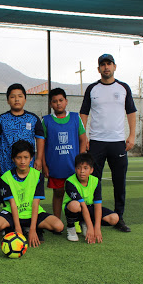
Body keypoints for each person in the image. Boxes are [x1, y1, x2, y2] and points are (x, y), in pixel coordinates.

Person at [80, 54, 136, 232]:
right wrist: (85, 137)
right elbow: (84, 114)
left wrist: (132, 135)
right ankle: (88, 217)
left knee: (119, 181)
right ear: (98, 69)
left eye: (109, 64)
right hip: (96, 142)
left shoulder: (123, 88)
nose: (106, 67)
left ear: (114, 67)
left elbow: (131, 112)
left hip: (118, 142)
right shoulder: (92, 89)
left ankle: (119, 217)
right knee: (92, 181)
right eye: (102, 65)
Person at [0, 140, 64, 247]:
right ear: (13, 159)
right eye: (19, 157)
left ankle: (33, 229)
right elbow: (13, 204)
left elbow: (35, 203)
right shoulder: (6, 177)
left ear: (31, 158)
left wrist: (33, 229)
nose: (22, 161)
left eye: (26, 157)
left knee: (59, 226)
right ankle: (14, 228)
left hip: (33, 213)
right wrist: (17, 228)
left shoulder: (37, 176)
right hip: (12, 213)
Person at [42, 87, 86, 221]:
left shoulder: (75, 117)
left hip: (73, 167)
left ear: (66, 101)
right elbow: (41, 145)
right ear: (51, 104)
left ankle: (76, 221)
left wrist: (81, 162)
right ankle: (57, 221)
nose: (58, 103)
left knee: (76, 195)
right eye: (54, 101)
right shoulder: (46, 120)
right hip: (55, 167)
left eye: (61, 100)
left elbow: (83, 139)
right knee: (58, 193)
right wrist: (44, 165)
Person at [63, 153, 120, 243]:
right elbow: (82, 205)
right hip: (77, 208)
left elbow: (97, 205)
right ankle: (71, 228)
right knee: (75, 205)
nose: (82, 171)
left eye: (85, 168)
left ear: (91, 170)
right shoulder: (70, 182)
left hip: (89, 207)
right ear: (75, 169)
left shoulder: (96, 181)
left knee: (114, 218)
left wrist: (97, 228)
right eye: (79, 168)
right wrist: (90, 227)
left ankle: (84, 223)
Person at [0, 83, 44, 176]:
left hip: (27, 166)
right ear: (8, 100)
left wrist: (39, 159)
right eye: (12, 97)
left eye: (20, 96)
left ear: (25, 99)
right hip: (5, 166)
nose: (16, 99)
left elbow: (40, 139)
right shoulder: (1, 119)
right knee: (6, 190)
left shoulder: (33, 119)